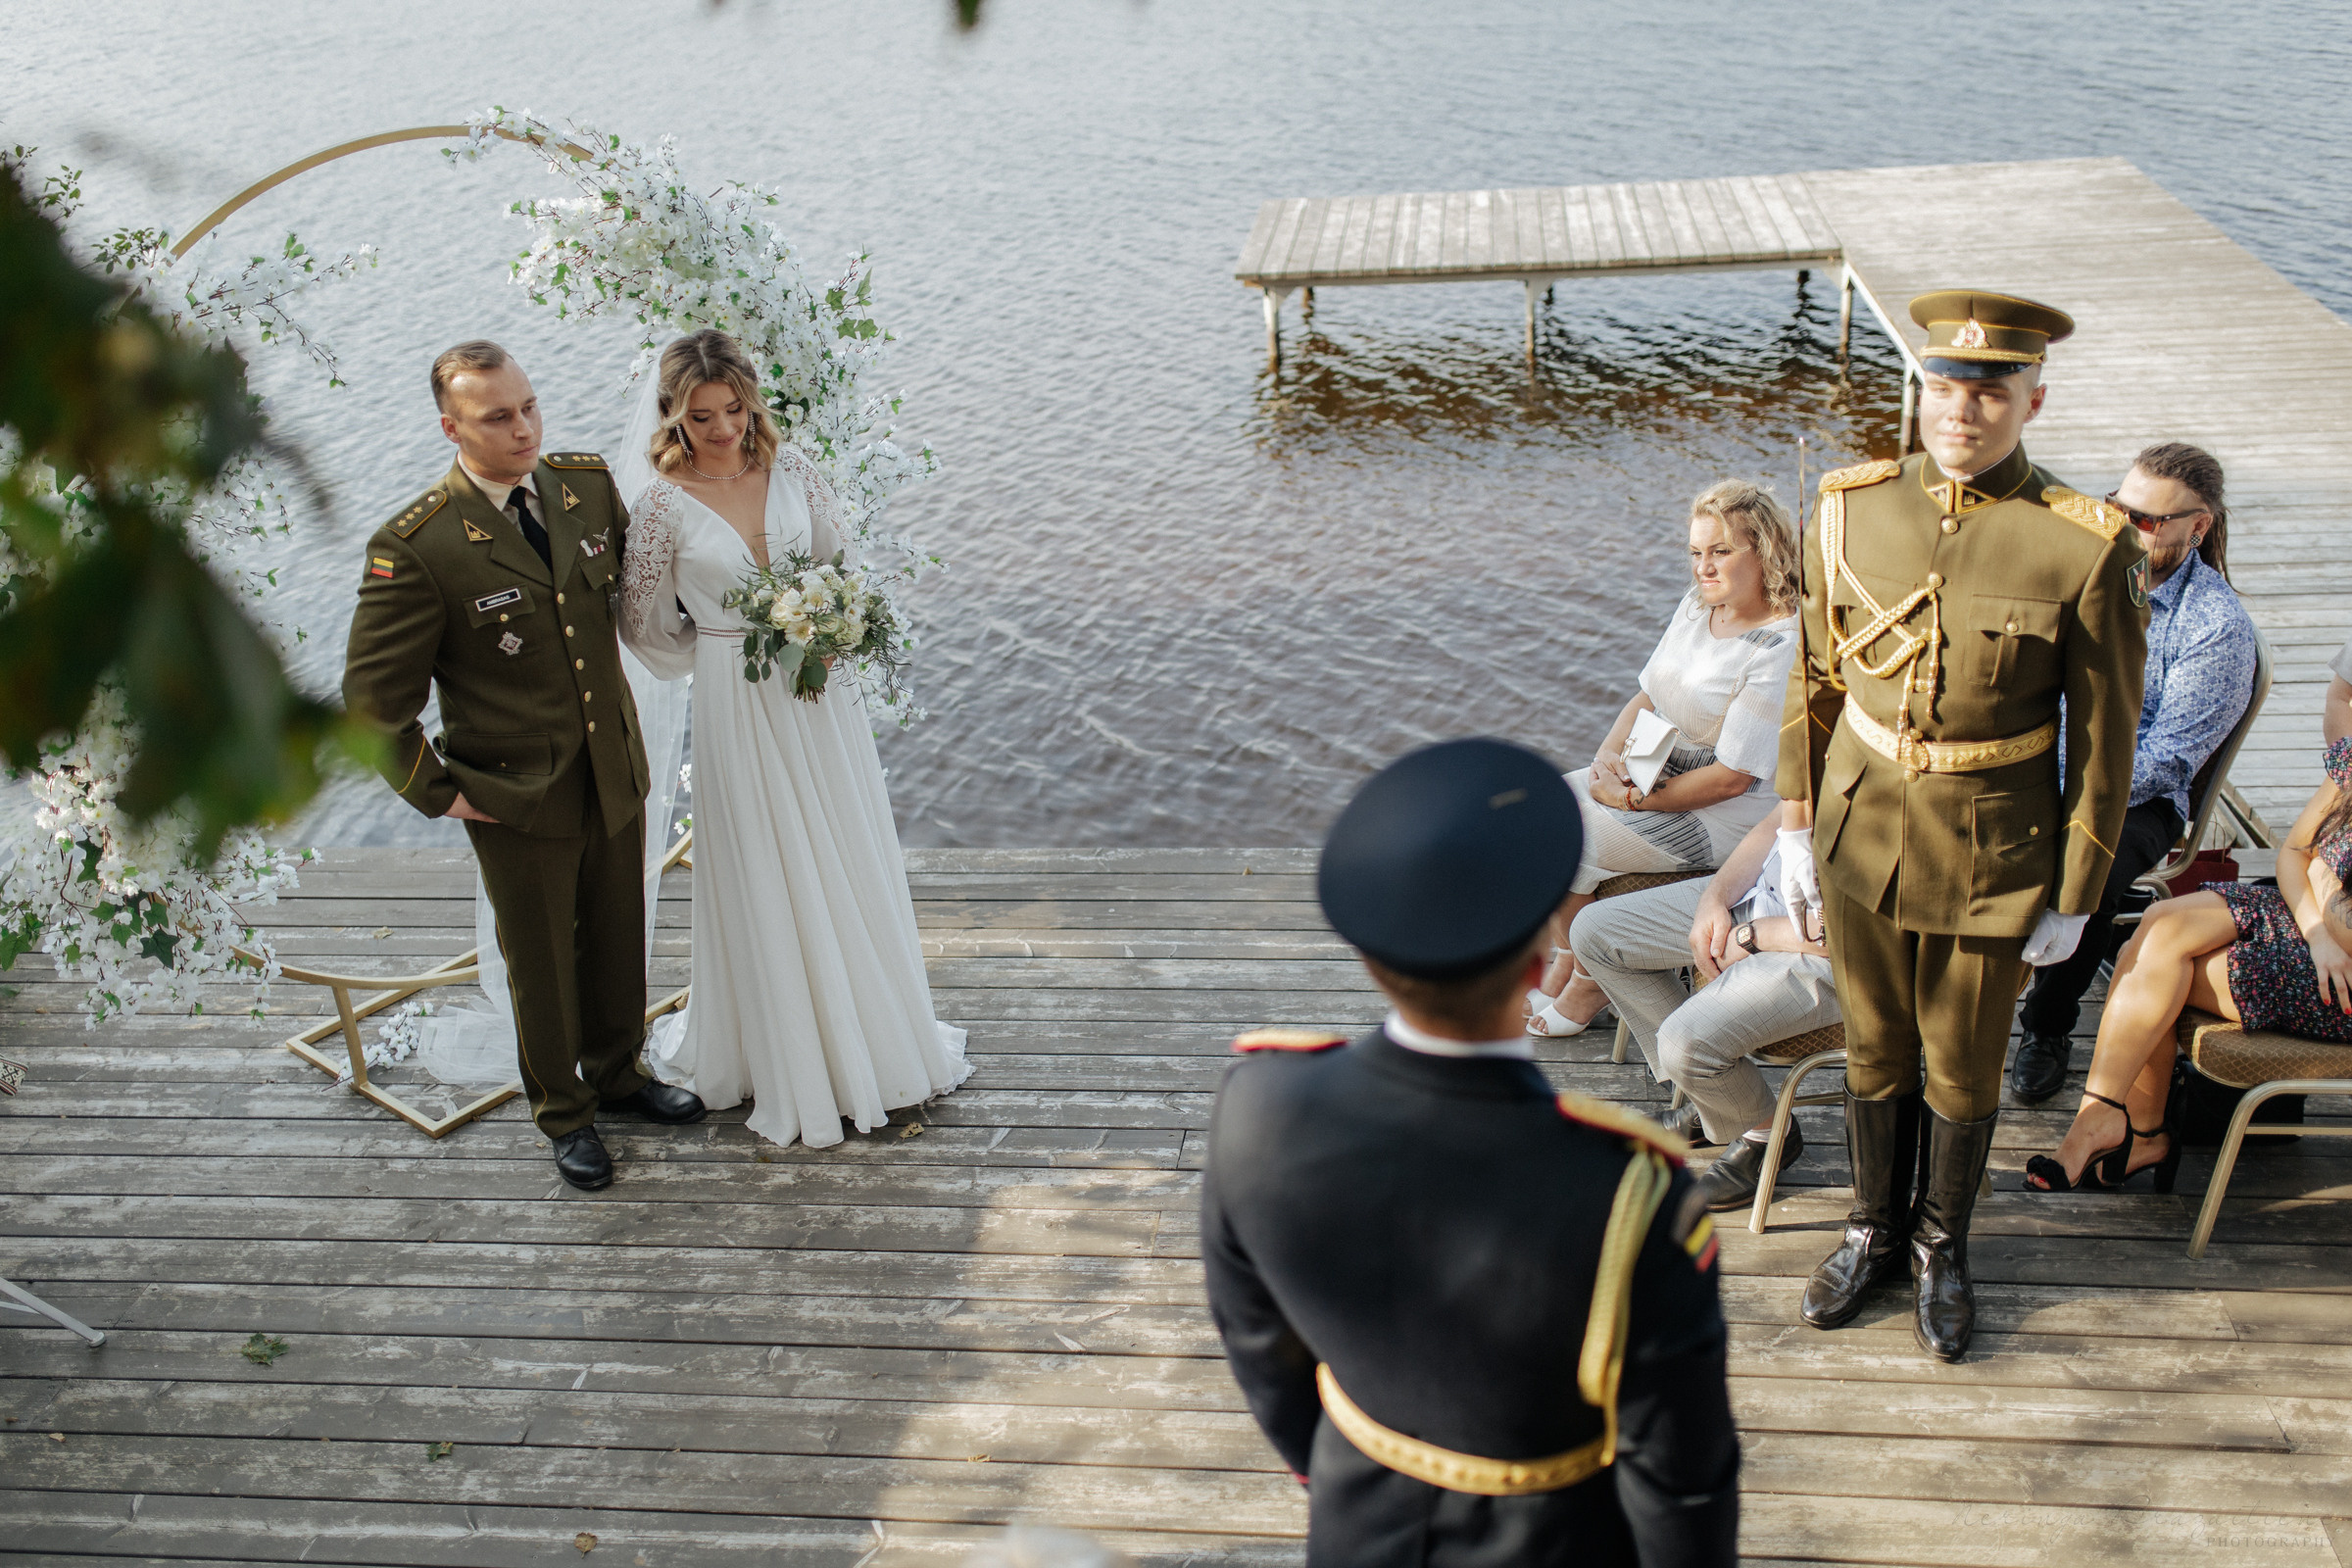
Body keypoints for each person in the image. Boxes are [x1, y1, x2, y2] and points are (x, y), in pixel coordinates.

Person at [1201, 737, 1739, 1568]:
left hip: (1354, 1522)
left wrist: (1355, 1469)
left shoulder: (1259, 1105)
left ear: (1371, 960)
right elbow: (1680, 1481)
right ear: (1537, 967)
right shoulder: (1630, 1192)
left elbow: (1258, 1347)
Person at [1776, 291, 2145, 1361]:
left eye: (1989, 392)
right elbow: (1811, 677)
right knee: (1874, 1046)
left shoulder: (2084, 545)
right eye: (1945, 386)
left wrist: (2080, 892)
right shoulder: (1850, 507)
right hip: (1859, 829)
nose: (1963, 411)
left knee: (1962, 1065)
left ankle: (1942, 1244)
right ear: (1921, 390)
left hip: (1995, 851)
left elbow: (2107, 739)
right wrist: (1797, 818)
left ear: (2035, 397)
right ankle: (1870, 1229)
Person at [342, 341, 708, 1190]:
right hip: (514, 794)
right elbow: (372, 711)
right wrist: (445, 796)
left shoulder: (582, 489)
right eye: (499, 417)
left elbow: (644, 598)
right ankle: (564, 1113)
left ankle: (619, 1077)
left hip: (611, 766)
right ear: (451, 427)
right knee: (540, 962)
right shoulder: (419, 545)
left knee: (620, 935)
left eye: (530, 407)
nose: (524, 429)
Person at [616, 329, 968, 1150]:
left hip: (820, 692)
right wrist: (717, 647)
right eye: (702, 416)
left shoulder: (795, 469)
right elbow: (643, 625)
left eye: (735, 410)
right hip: (736, 702)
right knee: (765, 859)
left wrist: (836, 626)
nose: (723, 429)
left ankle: (872, 1038)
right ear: (674, 416)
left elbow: (842, 565)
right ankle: (787, 1055)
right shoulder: (661, 505)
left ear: (751, 403)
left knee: (841, 844)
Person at [2011, 442, 2256, 1102]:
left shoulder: (2216, 625)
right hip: (2037, 763)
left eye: (2148, 521)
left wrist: (2067, 794)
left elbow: (2172, 757)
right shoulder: (2081, 570)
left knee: (2095, 859)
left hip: (2136, 797)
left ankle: (2048, 1022)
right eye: (2118, 508)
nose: (2125, 527)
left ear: (2197, 527)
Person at [1528, 479, 1800, 1038]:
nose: (1704, 567)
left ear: (1767, 550)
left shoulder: (1780, 646)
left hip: (1723, 813)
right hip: (1658, 769)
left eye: (1722, 551)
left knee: (1564, 836)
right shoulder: (1698, 606)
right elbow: (1651, 695)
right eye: (1697, 552)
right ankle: (1567, 956)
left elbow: (1732, 779)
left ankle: (1588, 984)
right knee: (1538, 808)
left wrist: (1628, 798)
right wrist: (1609, 759)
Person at [2025, 740, 2352, 1191]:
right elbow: (2295, 853)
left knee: (2149, 965)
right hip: (2312, 927)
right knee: (2160, 922)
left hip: (2343, 975)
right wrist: (2316, 927)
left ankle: (2125, 1128)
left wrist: (2322, 879)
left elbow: (2319, 875)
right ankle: (2124, 1126)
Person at [1572, 801, 1836, 1210]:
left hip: (1828, 953)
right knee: (1595, 933)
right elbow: (1776, 820)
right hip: (1757, 897)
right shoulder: (1820, 739)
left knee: (1685, 1043)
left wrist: (1754, 936)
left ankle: (1767, 1134)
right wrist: (1716, 896)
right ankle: (1719, 1101)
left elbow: (1873, 925)